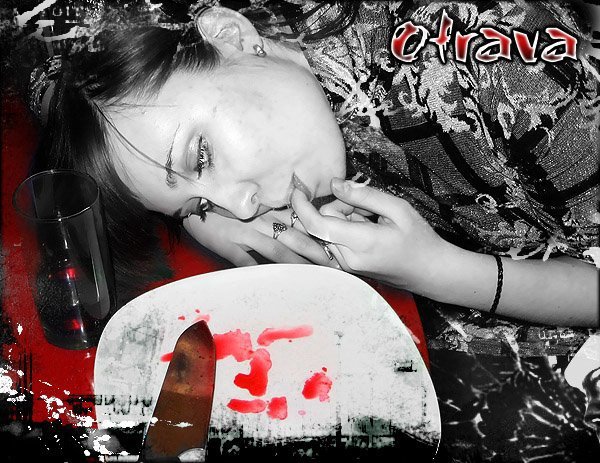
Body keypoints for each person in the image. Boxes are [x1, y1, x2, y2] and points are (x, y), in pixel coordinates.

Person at [18, 0, 600, 459]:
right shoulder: (247, 76)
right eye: (194, 206)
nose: (240, 206)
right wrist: (216, 220)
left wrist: (438, 272)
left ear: (231, 35)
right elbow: (37, 52)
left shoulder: (506, 70)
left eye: (201, 156)